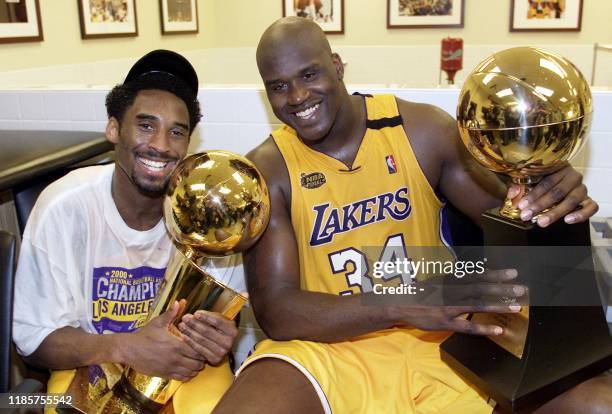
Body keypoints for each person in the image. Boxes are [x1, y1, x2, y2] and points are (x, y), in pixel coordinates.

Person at [212, 18, 611, 414]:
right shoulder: (267, 170)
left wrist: (547, 190)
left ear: (336, 65)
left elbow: (511, 219)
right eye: (278, 86)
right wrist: (402, 302)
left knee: (598, 404)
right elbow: (278, 312)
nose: (297, 96)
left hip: (439, 336)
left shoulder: (420, 130)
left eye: (309, 74)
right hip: (327, 350)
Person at [12, 50, 241, 413]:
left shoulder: (206, 215)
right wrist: (126, 346)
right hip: (90, 361)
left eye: (176, 132)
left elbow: (218, 318)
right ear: (114, 128)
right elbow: (34, 340)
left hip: (187, 368)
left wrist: (221, 336)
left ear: (188, 144)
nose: (161, 145)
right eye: (146, 125)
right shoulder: (65, 206)